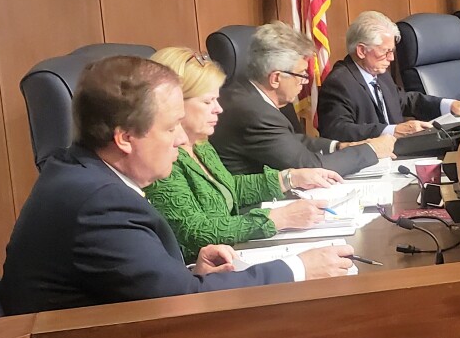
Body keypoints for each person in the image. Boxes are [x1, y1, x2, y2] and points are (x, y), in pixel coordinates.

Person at [0, 56, 353, 315]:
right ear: (124, 137)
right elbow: (182, 299)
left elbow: (143, 286)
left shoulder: (81, 171)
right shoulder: (98, 202)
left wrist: (185, 271)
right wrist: (299, 268)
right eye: (170, 128)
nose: (182, 139)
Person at [146, 47, 344, 261]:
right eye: (207, 101)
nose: (218, 109)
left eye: (217, 99)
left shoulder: (200, 142)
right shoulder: (162, 158)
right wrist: (279, 218)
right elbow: (194, 232)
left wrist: (290, 178)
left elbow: (228, 188)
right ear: (175, 104)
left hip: (234, 254)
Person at [210, 22, 395, 176]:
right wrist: (372, 150)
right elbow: (310, 167)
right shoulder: (253, 111)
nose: (304, 82)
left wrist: (339, 145)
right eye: (301, 74)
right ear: (276, 78)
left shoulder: (247, 93)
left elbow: (290, 141)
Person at [317, 11, 460, 142]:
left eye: (392, 51)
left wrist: (449, 106)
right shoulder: (339, 83)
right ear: (361, 51)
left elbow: (405, 100)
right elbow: (337, 130)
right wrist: (392, 131)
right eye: (385, 52)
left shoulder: (379, 74)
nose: (392, 58)